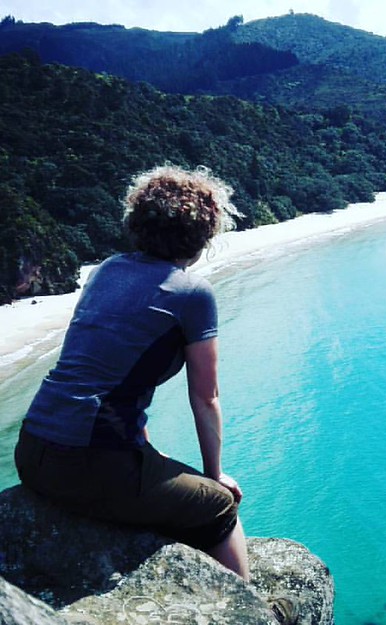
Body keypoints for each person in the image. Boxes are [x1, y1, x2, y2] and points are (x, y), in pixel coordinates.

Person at [14, 164, 250, 581]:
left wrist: (145, 449)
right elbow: (206, 396)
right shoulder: (191, 293)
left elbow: (102, 371)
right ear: (202, 234)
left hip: (33, 451)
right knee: (218, 507)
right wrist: (216, 476)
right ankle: (251, 606)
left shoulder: (108, 270)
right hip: (88, 462)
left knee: (168, 485)